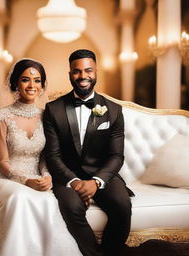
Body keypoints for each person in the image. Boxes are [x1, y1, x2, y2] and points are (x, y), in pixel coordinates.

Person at [0, 59, 82, 256]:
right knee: (20, 197)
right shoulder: (2, 116)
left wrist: (47, 176)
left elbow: (44, 157)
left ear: (42, 86)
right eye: (25, 80)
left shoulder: (46, 115)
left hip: (37, 179)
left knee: (47, 201)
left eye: (37, 80)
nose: (32, 85)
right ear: (15, 83)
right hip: (4, 179)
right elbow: (3, 162)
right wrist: (25, 180)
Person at [43, 49, 134, 256]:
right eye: (76, 71)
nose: (82, 76)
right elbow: (53, 156)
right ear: (69, 75)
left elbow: (116, 156)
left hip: (103, 174)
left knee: (122, 205)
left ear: (96, 72)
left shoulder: (114, 110)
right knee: (72, 207)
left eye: (88, 70)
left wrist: (96, 181)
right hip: (67, 176)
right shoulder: (53, 109)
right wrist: (74, 181)